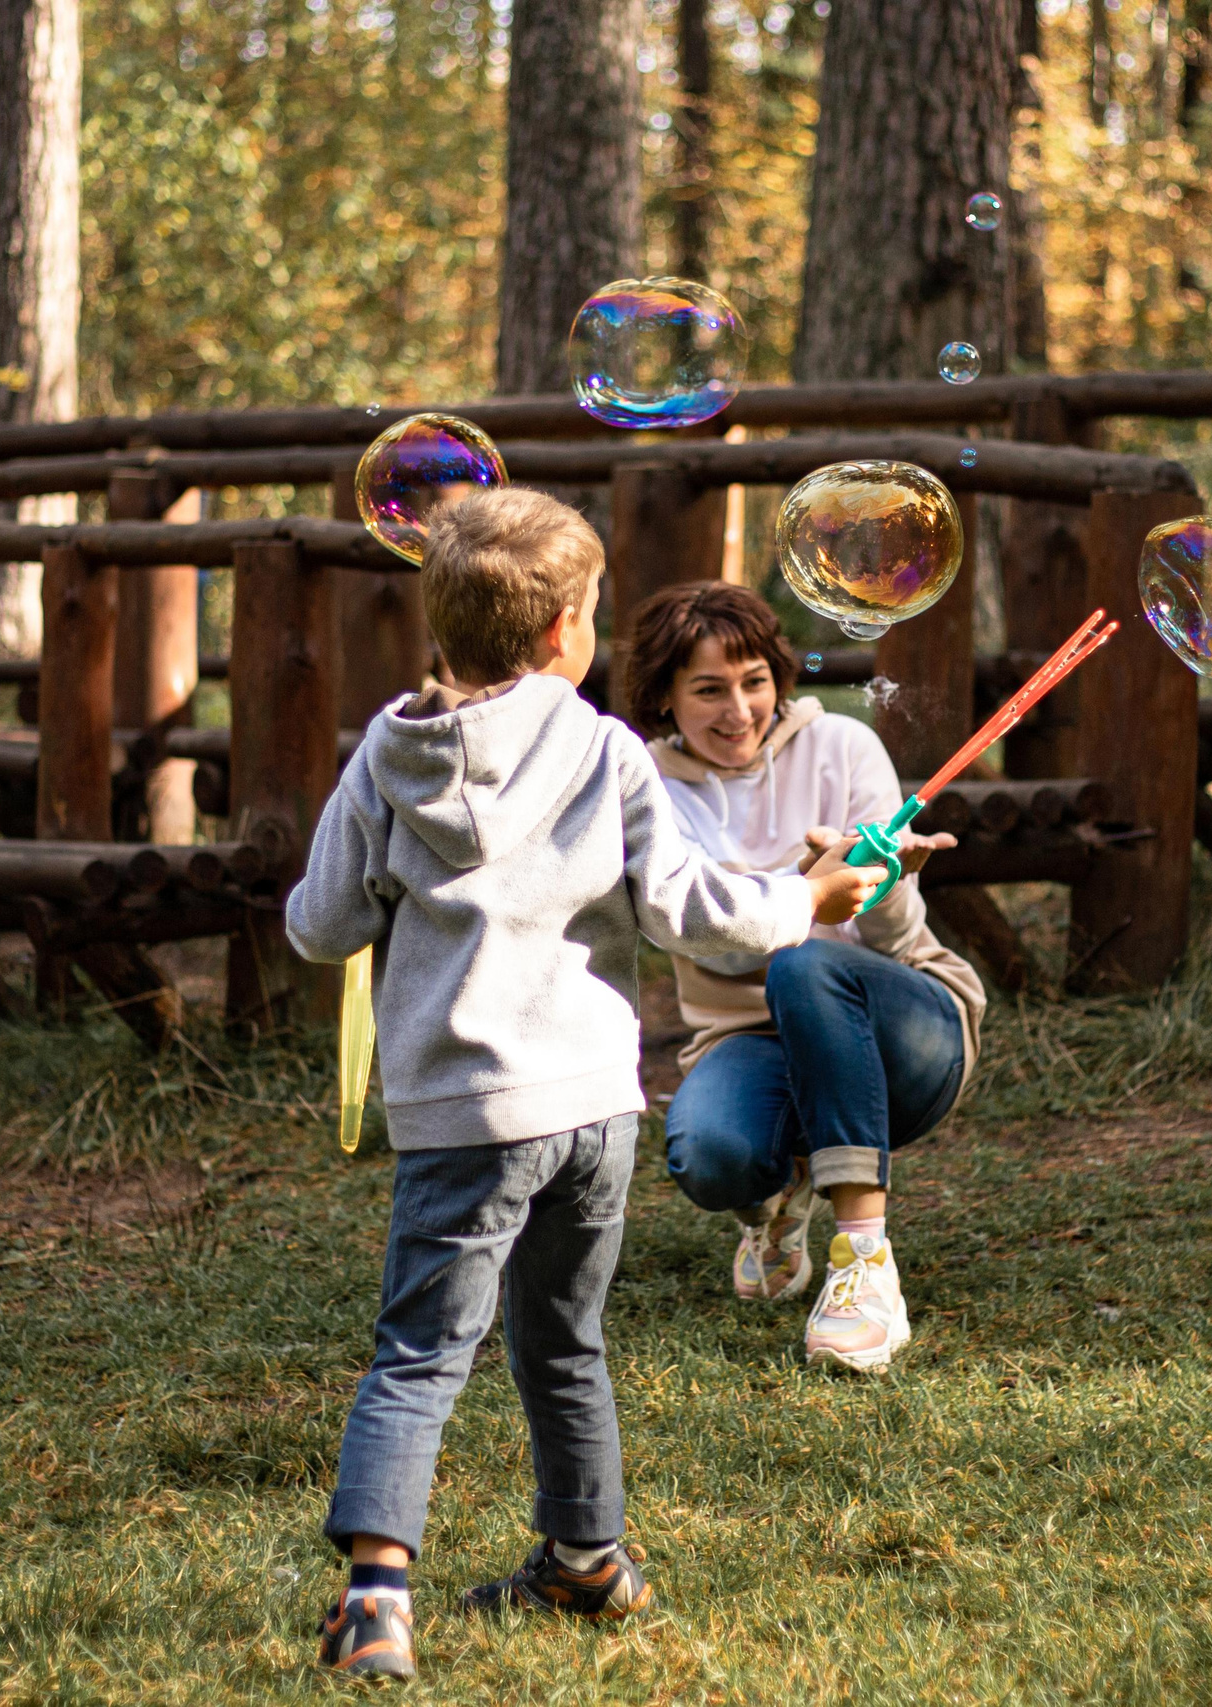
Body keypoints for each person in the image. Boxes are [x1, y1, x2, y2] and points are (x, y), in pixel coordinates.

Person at [285, 489, 881, 1681]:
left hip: (464, 1117)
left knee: (420, 1351)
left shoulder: (385, 754)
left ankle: (376, 1600)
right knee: (564, 1342)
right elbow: (693, 909)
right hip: (595, 1110)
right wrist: (801, 904)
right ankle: (588, 1557)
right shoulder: (604, 748)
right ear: (566, 628)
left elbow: (317, 925)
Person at [625, 583, 987, 1375]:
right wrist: (806, 885)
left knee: (809, 963)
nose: (739, 710)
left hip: (906, 1024)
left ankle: (865, 1265)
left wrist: (885, 884)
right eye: (709, 689)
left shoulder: (847, 749)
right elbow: (705, 941)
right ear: (663, 696)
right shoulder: (646, 793)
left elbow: (890, 943)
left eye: (753, 681)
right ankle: (778, 1199)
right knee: (710, 1153)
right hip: (749, 1036)